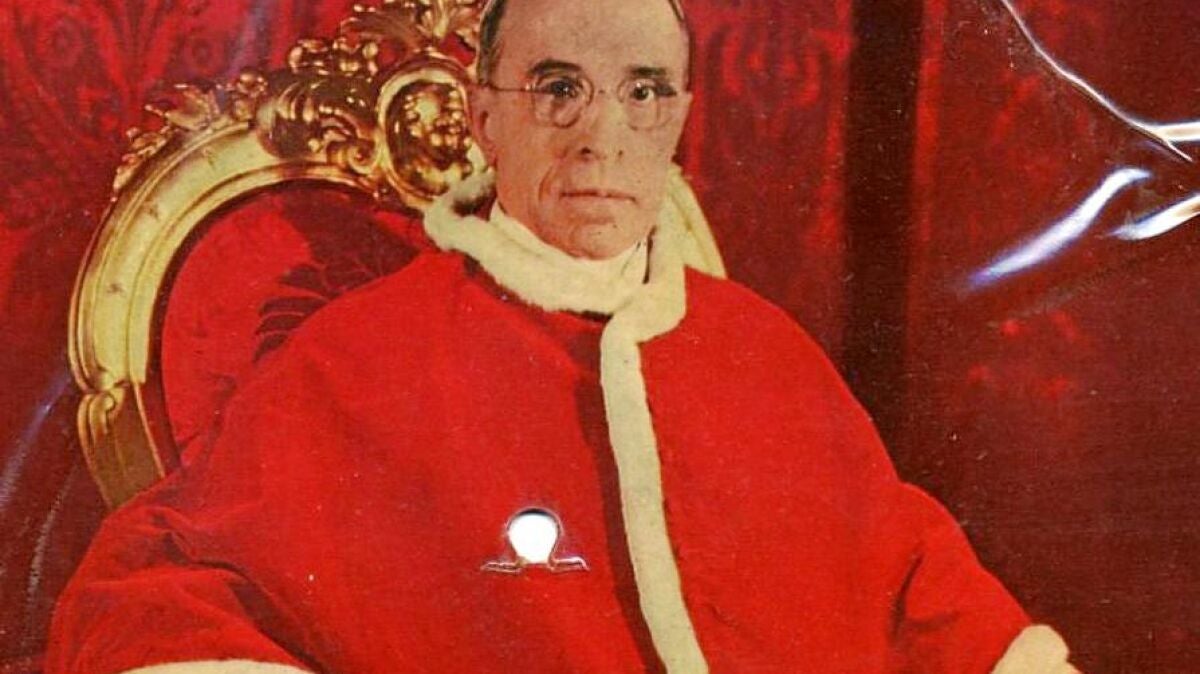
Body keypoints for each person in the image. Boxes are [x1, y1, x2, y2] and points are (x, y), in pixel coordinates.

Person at [46, 0, 1081, 672]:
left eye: (643, 93)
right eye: (557, 90)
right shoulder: (361, 358)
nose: (602, 137)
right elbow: (160, 578)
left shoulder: (765, 350)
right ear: (483, 119)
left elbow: (913, 578)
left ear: (679, 117)